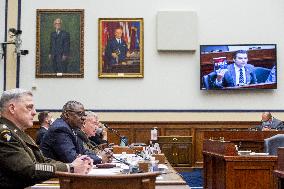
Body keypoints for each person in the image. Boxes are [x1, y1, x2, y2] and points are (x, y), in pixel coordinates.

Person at [0, 89, 93, 189]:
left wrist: (72, 165)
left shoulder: (18, 133)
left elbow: (42, 160)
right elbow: (28, 170)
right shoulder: (4, 135)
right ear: (12, 108)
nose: (34, 112)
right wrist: (70, 167)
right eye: (29, 107)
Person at [40, 101, 108, 164]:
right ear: (67, 115)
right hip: (56, 175)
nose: (83, 118)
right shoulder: (60, 129)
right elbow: (71, 158)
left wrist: (102, 155)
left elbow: (83, 151)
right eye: (80, 114)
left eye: (84, 115)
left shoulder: (73, 128)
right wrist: (100, 158)